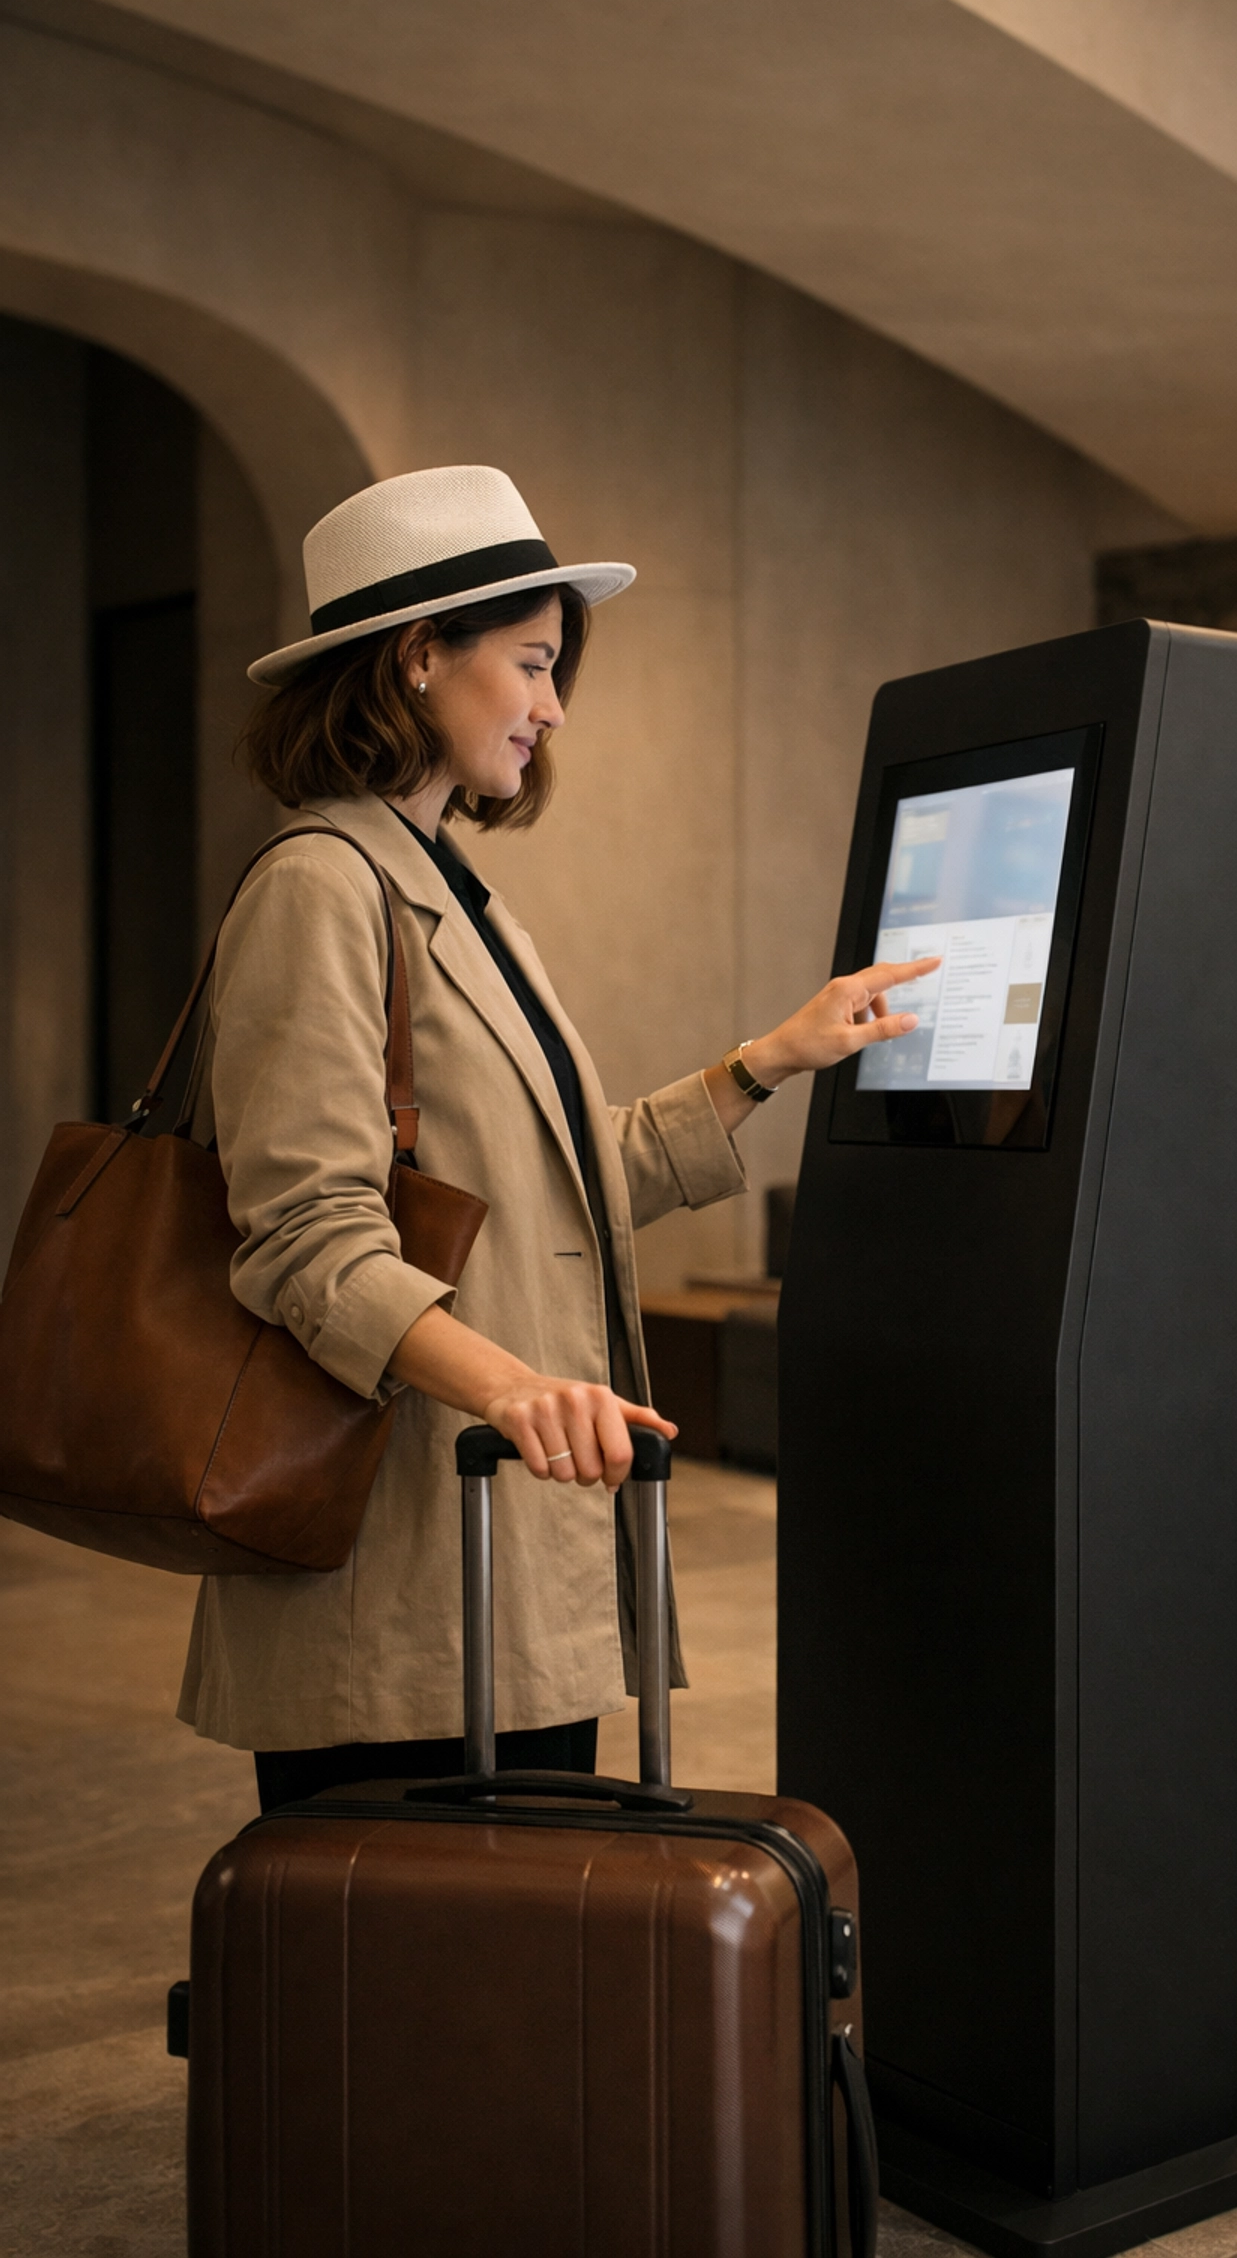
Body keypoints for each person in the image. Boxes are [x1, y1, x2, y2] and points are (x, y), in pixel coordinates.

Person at [174, 465, 936, 1810]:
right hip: (406, 1575)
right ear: (418, 658)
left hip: (495, 1561)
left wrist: (771, 1060)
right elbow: (303, 1243)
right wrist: (514, 1389)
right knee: (425, 1995)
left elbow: (559, 1192)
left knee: (505, 1986)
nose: (551, 707)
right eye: (530, 663)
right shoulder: (318, 889)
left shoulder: (457, 896)